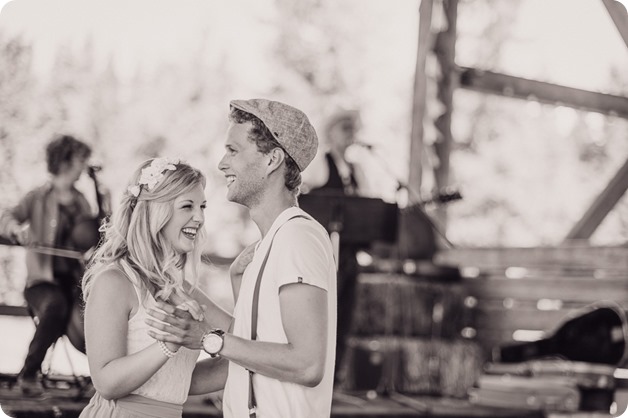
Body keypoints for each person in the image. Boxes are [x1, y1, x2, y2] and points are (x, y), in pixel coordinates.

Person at [147, 99, 337, 418]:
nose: (222, 164)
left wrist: (209, 339)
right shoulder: (269, 245)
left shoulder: (296, 238)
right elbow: (253, 352)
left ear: (272, 160)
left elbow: (307, 364)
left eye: (233, 151)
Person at [79, 157, 232, 418]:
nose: (200, 217)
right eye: (187, 206)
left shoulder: (183, 290)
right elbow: (105, 382)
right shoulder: (115, 281)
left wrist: (239, 277)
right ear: (156, 212)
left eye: (202, 207)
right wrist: (167, 345)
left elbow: (246, 343)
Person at [0, 135, 95, 396]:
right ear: (65, 160)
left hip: (75, 282)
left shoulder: (82, 201)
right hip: (41, 284)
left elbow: (92, 236)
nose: (85, 166)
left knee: (95, 314)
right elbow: (6, 216)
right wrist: (17, 230)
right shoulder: (37, 197)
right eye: (80, 160)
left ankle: (105, 376)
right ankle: (29, 374)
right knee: (56, 305)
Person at [306, 109, 365, 384]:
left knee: (344, 314)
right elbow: (304, 198)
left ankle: (336, 375)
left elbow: (367, 211)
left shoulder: (357, 170)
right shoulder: (320, 164)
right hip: (322, 253)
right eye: (345, 129)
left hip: (349, 255)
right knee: (322, 313)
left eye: (353, 129)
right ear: (331, 132)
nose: (350, 135)